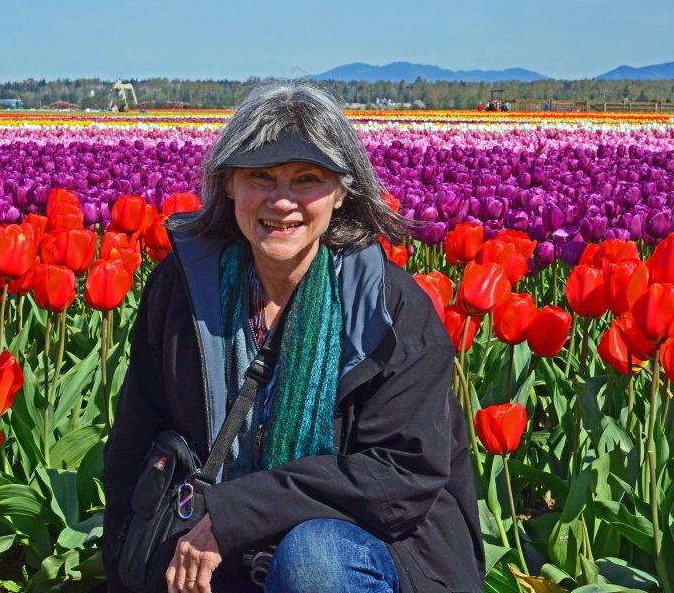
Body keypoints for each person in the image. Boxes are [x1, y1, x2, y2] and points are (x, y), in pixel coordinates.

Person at [104, 81, 484, 593]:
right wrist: (126, 569)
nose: (282, 201)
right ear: (229, 184)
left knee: (311, 561)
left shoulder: (389, 308)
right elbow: (132, 446)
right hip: (213, 556)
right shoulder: (183, 290)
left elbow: (400, 475)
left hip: (370, 552)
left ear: (342, 191)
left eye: (307, 179)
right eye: (259, 175)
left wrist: (234, 515)